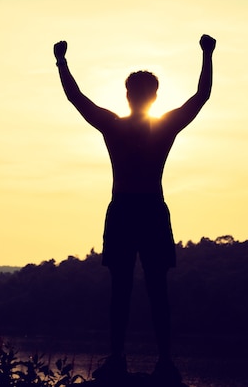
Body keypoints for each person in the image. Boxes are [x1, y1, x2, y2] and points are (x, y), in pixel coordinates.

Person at [53, 35, 215, 385]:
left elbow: (76, 98)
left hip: (130, 210)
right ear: (153, 96)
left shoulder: (117, 125)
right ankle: (155, 361)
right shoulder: (157, 125)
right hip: (145, 211)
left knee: (126, 290)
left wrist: (62, 63)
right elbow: (201, 96)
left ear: (130, 96)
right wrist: (206, 54)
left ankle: (135, 360)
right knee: (150, 289)